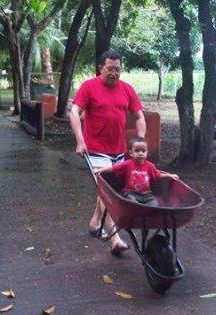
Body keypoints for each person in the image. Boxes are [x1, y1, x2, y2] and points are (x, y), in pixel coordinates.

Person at [69, 50, 146, 256]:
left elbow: (139, 116)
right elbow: (74, 112)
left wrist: (139, 142)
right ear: (101, 68)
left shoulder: (127, 89)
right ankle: (115, 239)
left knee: (105, 190)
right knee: (108, 192)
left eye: (118, 69)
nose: (114, 73)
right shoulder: (89, 87)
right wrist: (80, 141)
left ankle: (95, 223)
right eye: (110, 69)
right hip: (95, 151)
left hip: (119, 151)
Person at [94, 137, 179, 206]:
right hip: (131, 193)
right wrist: (101, 170)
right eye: (137, 151)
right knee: (131, 201)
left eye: (143, 151)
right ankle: (138, 208)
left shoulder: (149, 165)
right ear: (131, 153)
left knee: (155, 203)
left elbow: (157, 174)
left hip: (147, 195)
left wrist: (169, 175)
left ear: (147, 152)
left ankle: (146, 212)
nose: (140, 153)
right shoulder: (127, 164)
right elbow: (114, 168)